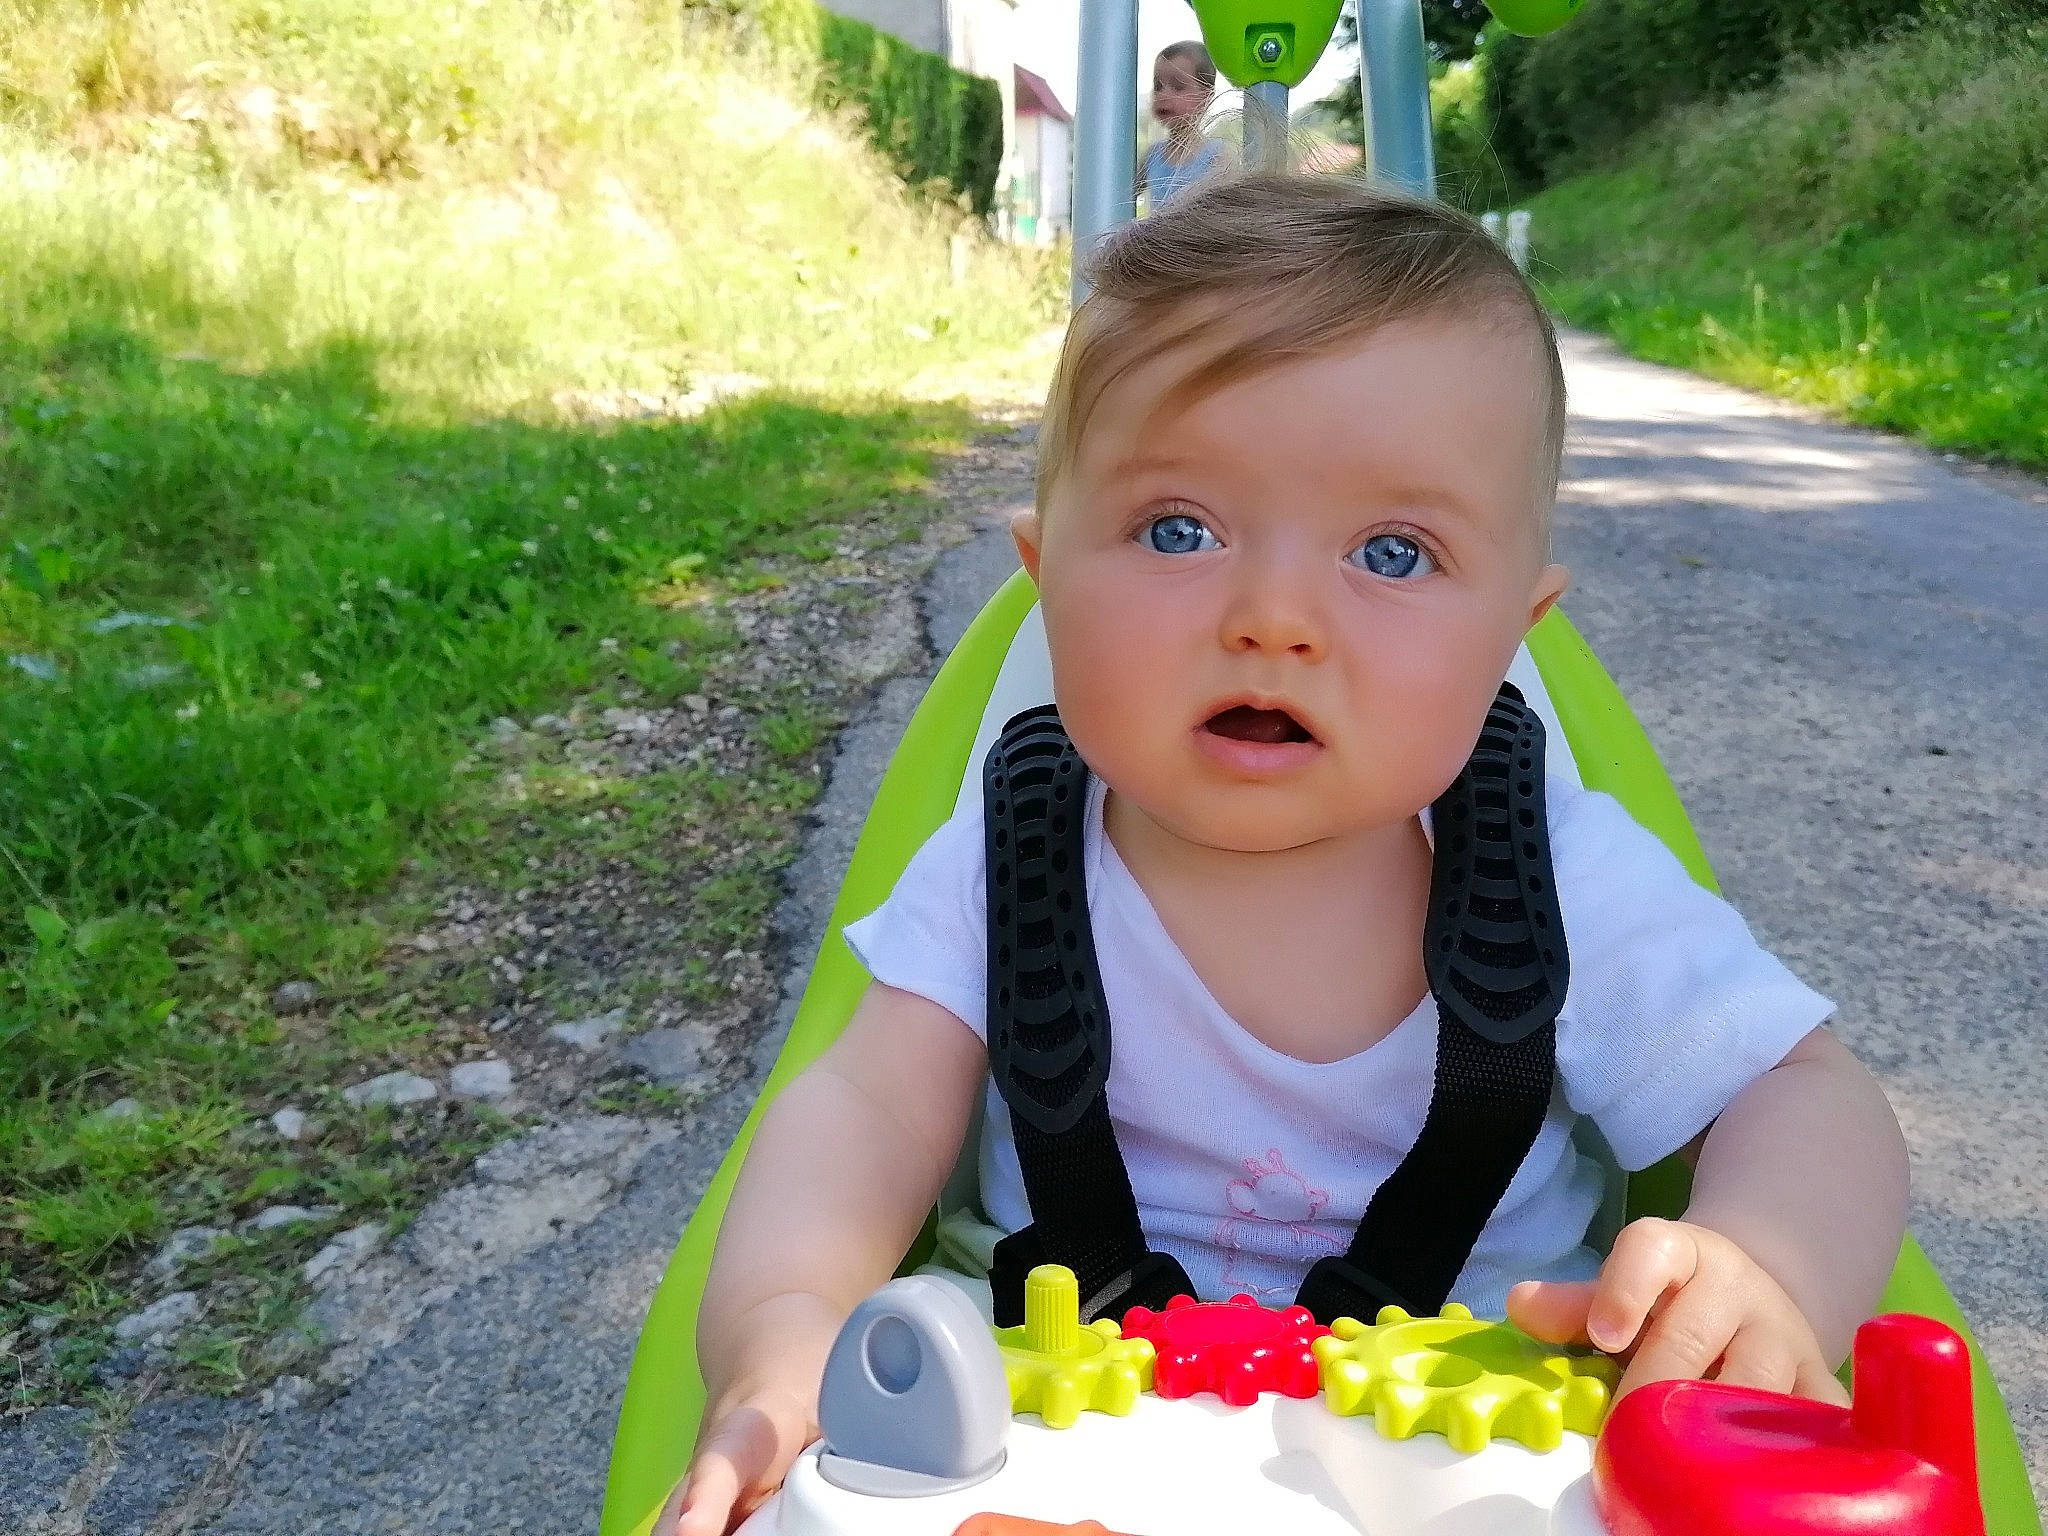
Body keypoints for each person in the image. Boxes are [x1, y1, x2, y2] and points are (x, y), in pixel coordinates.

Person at [664, 175, 1910, 1536]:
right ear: (1047, 575)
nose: (1273, 619)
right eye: (1177, 531)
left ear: (1513, 632)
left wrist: (1764, 1270)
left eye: (1392, 551)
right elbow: (863, 1113)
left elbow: (1801, 1092)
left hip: (1474, 1448)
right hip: (1048, 1435)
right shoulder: (1013, 852)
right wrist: (785, 1334)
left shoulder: (1557, 872)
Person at [1140, 42, 1224, 211]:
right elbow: (1120, 194)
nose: (1163, 95)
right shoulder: (1152, 156)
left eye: (1178, 87)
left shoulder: (1217, 157)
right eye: (1158, 86)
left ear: (1206, 97)